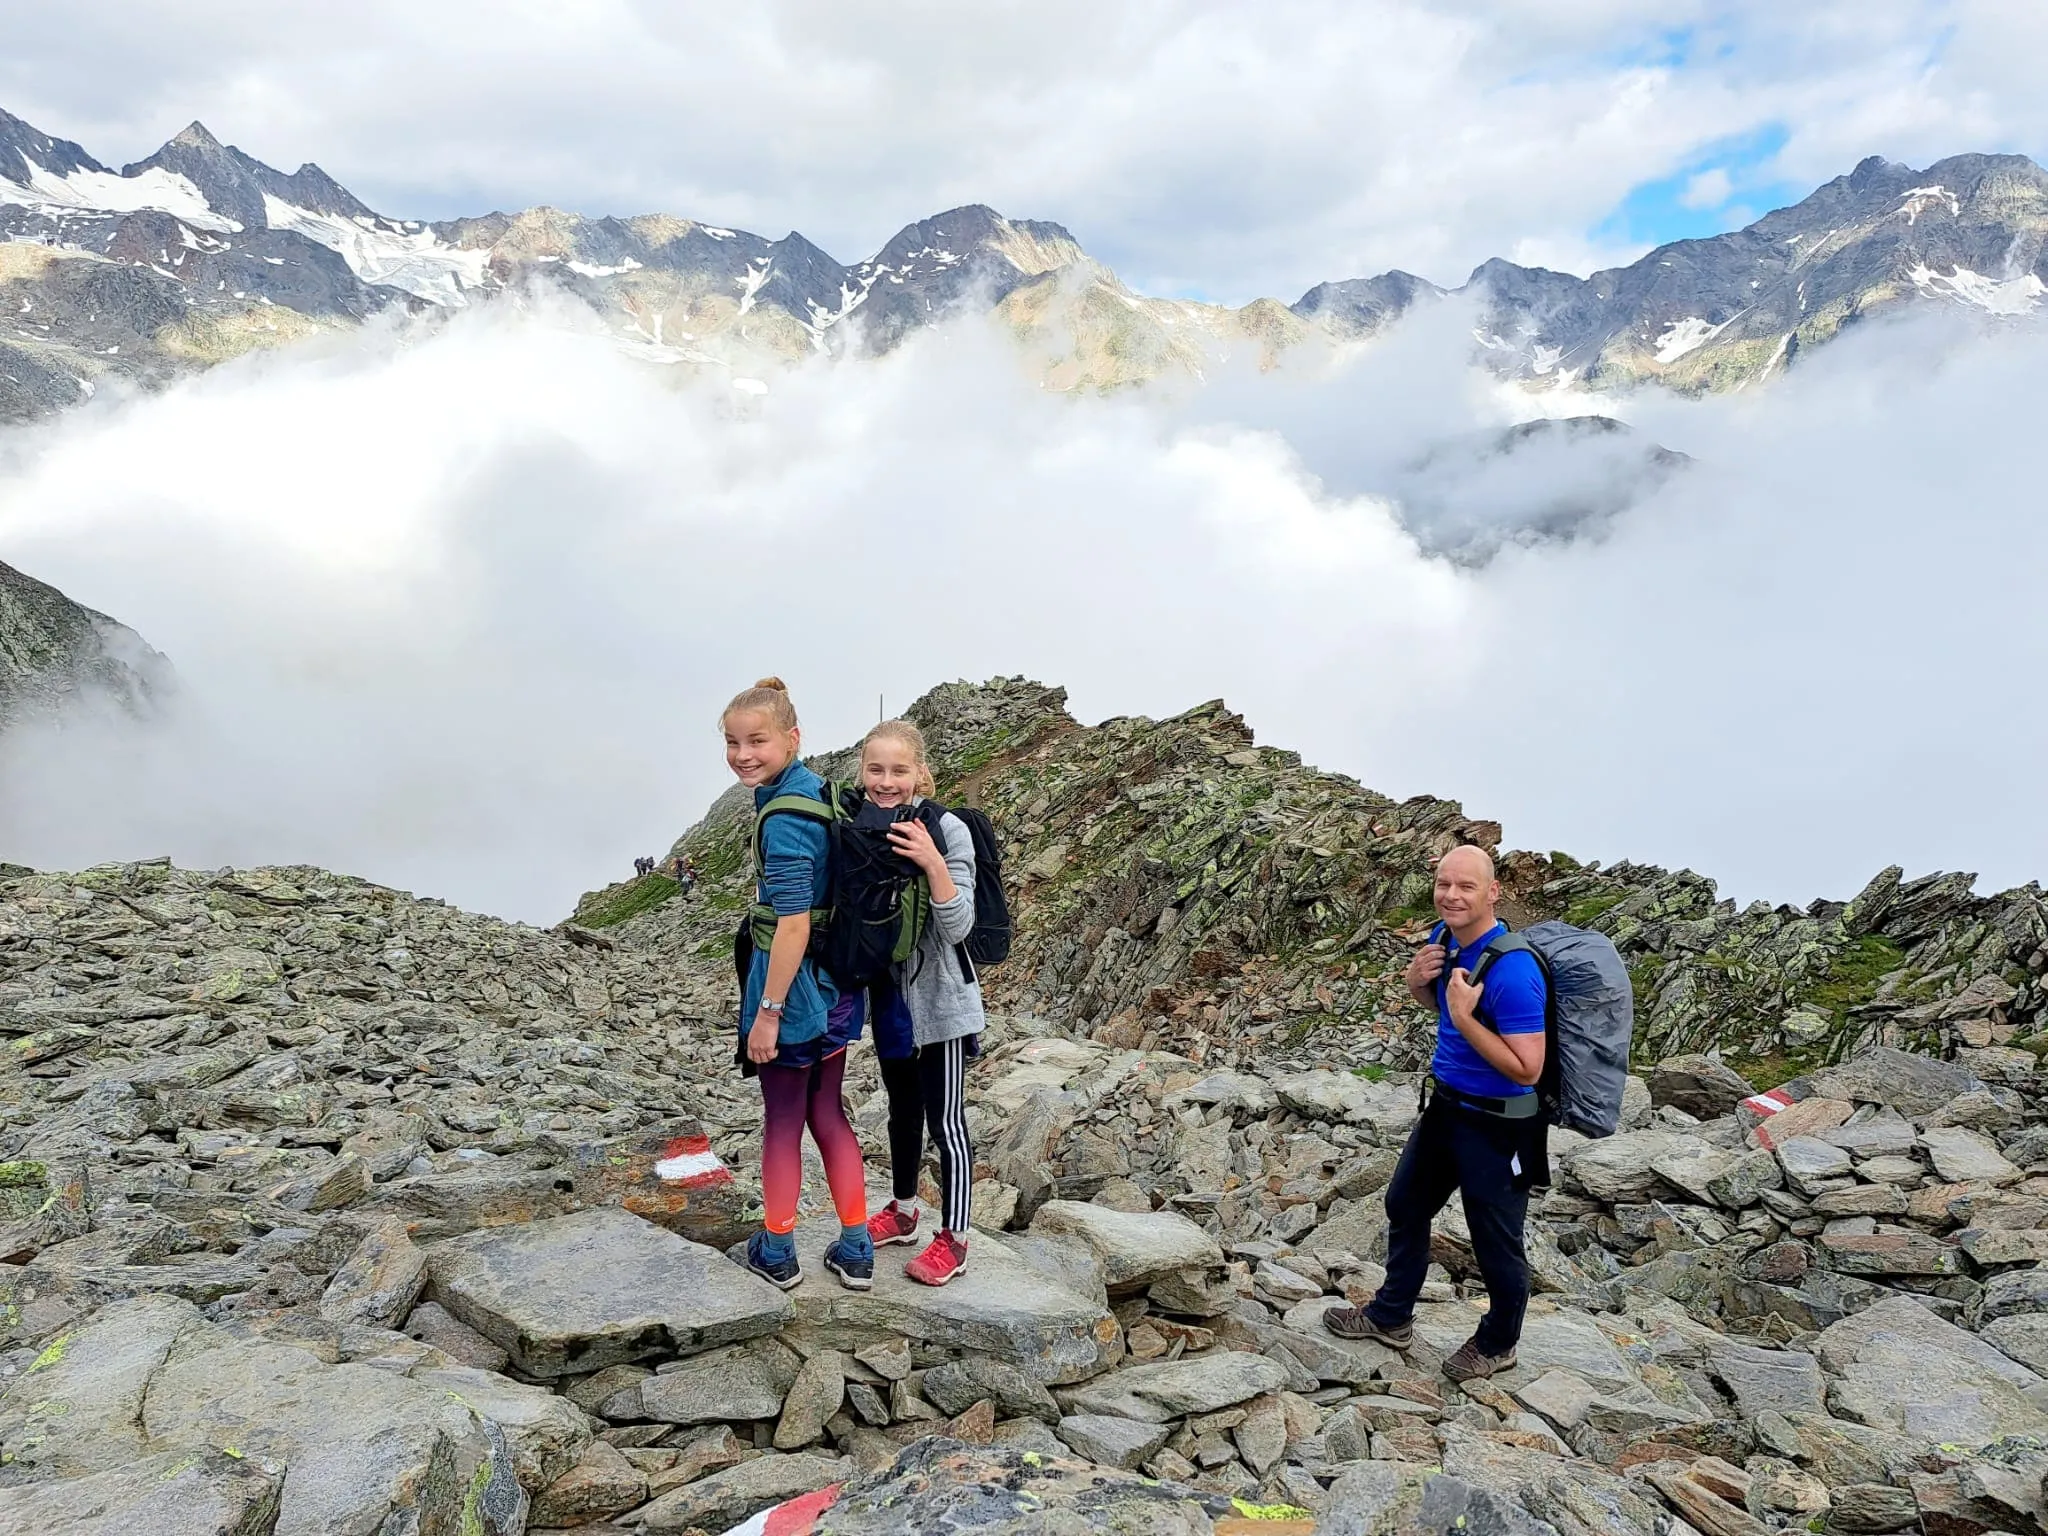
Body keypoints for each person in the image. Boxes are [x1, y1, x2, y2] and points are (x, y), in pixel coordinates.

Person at [1321, 844, 1548, 1381]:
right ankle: (1391, 1316)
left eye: (1466, 886)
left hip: (1500, 1124)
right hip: (1446, 1108)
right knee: (1405, 1203)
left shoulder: (1514, 970)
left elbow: (1528, 1068)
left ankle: (1498, 1344)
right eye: (1444, 883)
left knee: (1495, 1241)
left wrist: (1466, 1019)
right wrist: (1417, 985)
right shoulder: (1444, 938)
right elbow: (1447, 1008)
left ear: (1493, 892)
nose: (1451, 895)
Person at [721, 677, 874, 1291]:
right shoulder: (817, 791)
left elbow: (792, 924)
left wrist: (768, 1014)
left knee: (783, 1121)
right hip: (838, 989)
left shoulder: (784, 818)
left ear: (792, 737)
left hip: (794, 996)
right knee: (828, 1113)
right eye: (732, 742)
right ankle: (857, 1247)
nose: (742, 755)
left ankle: (778, 1249)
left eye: (756, 741)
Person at [857, 719, 982, 1287]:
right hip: (889, 1000)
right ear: (862, 773)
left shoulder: (949, 829)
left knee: (946, 1121)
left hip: (942, 1003)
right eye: (876, 770)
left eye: (898, 770)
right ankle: (904, 1211)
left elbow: (958, 927)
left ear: (920, 773)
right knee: (901, 1111)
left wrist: (932, 861)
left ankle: (955, 1239)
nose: (886, 782)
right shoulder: (860, 825)